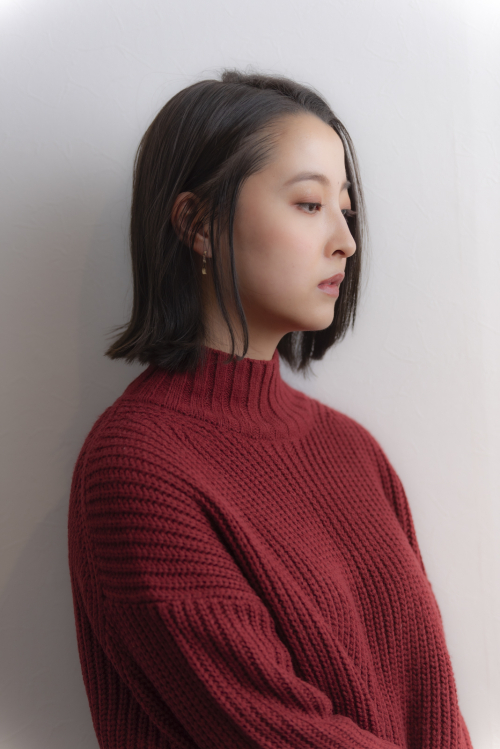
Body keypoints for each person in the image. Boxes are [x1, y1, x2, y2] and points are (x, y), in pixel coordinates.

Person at [68, 69, 472, 749]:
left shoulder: (353, 450)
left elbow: (433, 700)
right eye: (310, 204)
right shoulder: (136, 469)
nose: (346, 240)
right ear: (198, 224)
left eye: (346, 208)